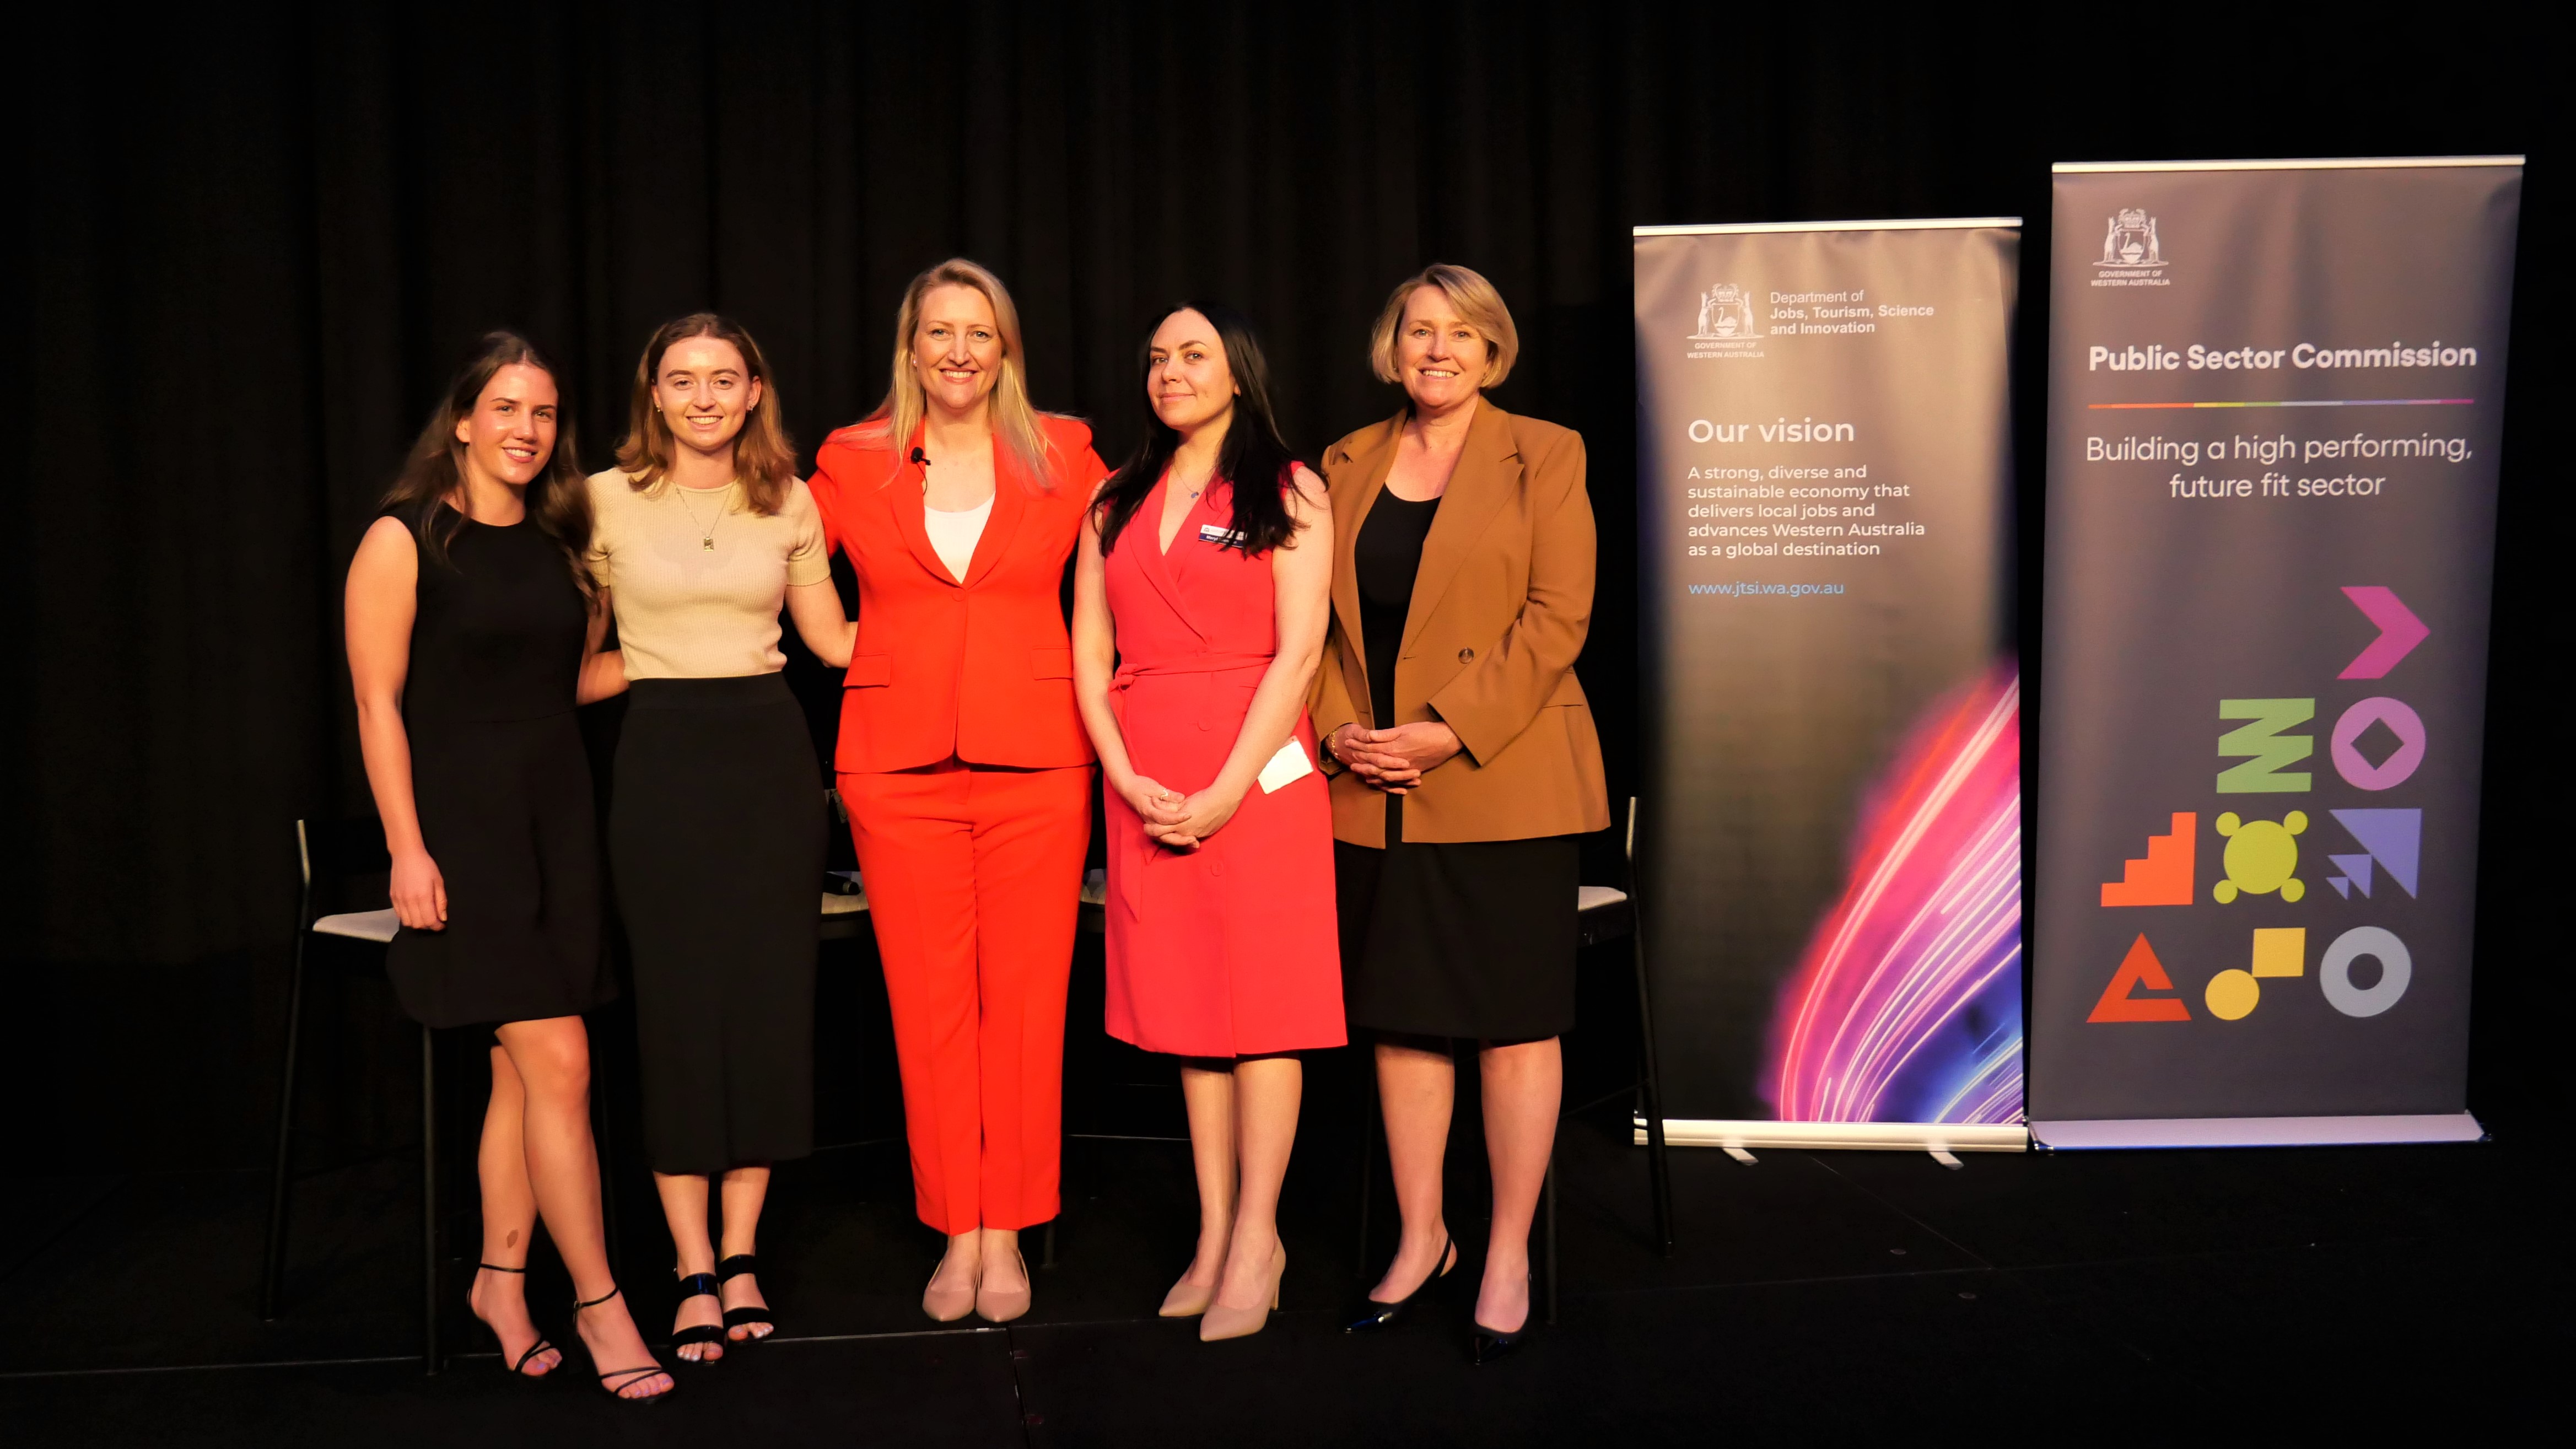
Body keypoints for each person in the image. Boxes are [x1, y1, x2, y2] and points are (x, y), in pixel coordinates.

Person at [344, 332, 672, 1402]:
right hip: (464, 833)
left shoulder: (555, 545)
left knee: (518, 1075)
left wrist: (703, 644)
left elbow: (567, 684)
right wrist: (405, 847)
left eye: (543, 413)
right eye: (506, 408)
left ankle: (498, 1280)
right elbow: (377, 703)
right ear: (465, 419)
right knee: (563, 1064)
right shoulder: (406, 539)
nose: (527, 429)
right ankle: (600, 1303)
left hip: (559, 828)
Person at [806, 260, 1109, 1324]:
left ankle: (1012, 1229)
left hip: (1038, 761)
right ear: (911, 345)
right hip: (896, 767)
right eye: (940, 332)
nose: (960, 351)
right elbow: (777, 558)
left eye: (980, 333)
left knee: (1026, 1007)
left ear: (1006, 348)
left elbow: (1128, 584)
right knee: (928, 1009)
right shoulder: (849, 460)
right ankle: (956, 1226)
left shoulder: (1066, 452)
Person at [1316, 265, 1609, 1363]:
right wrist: (1342, 727)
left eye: (1459, 334)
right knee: (1402, 1016)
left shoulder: (1548, 452)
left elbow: (1559, 615)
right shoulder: (1343, 461)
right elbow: (1311, 627)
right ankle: (1424, 1234)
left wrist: (1443, 726)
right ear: (1390, 345)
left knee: (1512, 1022)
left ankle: (1505, 1251)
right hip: (1371, 791)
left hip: (1504, 778)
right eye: (1415, 329)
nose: (1434, 348)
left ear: (1494, 351)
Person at [1071, 303, 1340, 1342]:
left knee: (1262, 1009)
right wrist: (1123, 771)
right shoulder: (1114, 497)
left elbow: (1301, 651)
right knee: (1190, 1014)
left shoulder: (1291, 487)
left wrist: (1228, 786)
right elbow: (1088, 653)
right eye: (1157, 358)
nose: (1170, 372)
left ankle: (1260, 1237)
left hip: (1258, 775)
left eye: (1193, 356)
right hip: (1147, 773)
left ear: (1238, 373)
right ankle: (1215, 1230)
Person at [587, 314, 853, 1364]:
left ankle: (741, 1255)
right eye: (682, 380)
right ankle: (689, 1264)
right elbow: (568, 668)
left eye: (723, 379)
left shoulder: (790, 498)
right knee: (678, 1012)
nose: (703, 397)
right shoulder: (602, 501)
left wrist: (981, 633)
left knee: (767, 1006)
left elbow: (831, 640)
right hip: (658, 766)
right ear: (655, 394)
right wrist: (665, 666)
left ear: (754, 393)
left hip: (768, 763)